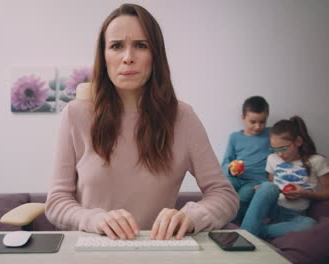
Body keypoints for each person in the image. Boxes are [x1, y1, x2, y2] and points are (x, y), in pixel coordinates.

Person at [45, 3, 238, 241]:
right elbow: (56, 202)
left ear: (155, 55)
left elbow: (224, 195)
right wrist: (93, 219)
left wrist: (193, 216)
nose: (128, 58)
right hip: (91, 249)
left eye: (140, 45)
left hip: (157, 250)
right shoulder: (75, 115)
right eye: (116, 46)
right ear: (104, 57)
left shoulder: (183, 117)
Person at [241, 116, 329, 239]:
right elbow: (272, 186)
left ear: (298, 142)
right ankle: (245, 236)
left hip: (295, 214)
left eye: (283, 148)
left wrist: (305, 194)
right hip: (273, 208)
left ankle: (252, 233)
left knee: (310, 224)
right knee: (266, 186)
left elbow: (327, 193)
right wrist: (262, 190)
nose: (279, 154)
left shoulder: (316, 161)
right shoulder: (272, 159)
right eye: (275, 149)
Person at [221, 96, 271, 224]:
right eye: (253, 122)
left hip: (255, 181)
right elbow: (225, 164)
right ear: (243, 118)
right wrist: (231, 168)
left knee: (243, 196)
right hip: (236, 178)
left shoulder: (271, 135)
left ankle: (234, 225)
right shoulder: (235, 137)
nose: (258, 126)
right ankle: (218, 220)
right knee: (223, 189)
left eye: (262, 122)